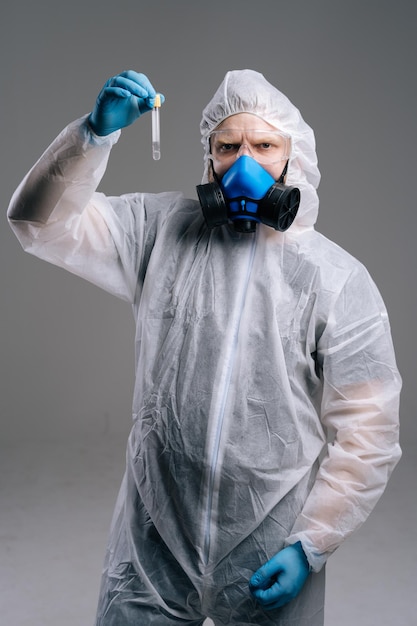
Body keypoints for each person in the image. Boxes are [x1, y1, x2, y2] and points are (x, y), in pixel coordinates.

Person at [7, 69, 402, 625]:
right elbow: (36, 221)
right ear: (209, 155)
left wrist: (311, 543)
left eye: (264, 145)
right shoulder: (158, 230)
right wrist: (92, 136)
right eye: (228, 146)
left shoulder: (334, 279)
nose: (245, 163)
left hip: (271, 542)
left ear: (295, 155)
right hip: (154, 543)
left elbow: (370, 429)